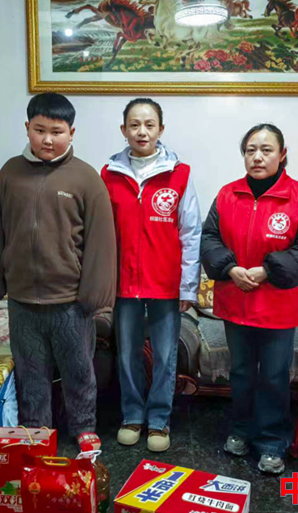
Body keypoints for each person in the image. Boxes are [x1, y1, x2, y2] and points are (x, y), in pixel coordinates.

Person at [0, 92, 117, 452]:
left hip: (70, 301)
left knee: (78, 369)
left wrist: (95, 297)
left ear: (72, 133)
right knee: (30, 372)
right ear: (27, 128)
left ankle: (84, 426)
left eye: (57, 132)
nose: (47, 139)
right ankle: (35, 431)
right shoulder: (10, 173)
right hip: (22, 300)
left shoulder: (86, 178)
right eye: (39, 130)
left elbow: (102, 242)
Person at [201, 123, 298, 474]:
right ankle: (240, 430)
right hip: (234, 299)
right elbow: (209, 238)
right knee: (240, 372)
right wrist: (229, 268)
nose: (257, 156)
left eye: (266, 150)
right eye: (250, 150)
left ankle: (272, 441)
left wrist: (267, 270)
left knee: (273, 374)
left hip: (276, 305)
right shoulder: (227, 194)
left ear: (282, 155)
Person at [101, 98, 202, 452]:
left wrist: (188, 286)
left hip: (165, 283)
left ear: (161, 129)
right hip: (124, 282)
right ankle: (131, 415)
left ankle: (159, 420)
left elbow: (191, 232)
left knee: (165, 354)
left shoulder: (180, 174)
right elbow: (101, 234)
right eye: (134, 124)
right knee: (126, 353)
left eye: (149, 124)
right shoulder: (109, 174)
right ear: (123, 129)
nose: (141, 131)